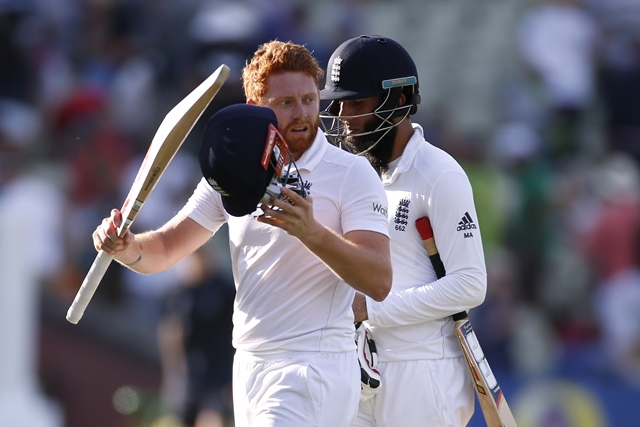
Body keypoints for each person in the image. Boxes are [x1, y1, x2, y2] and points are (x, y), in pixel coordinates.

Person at [92, 40, 392, 427]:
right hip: (249, 364)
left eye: (309, 99)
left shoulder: (352, 173)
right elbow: (165, 248)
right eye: (286, 103)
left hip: (312, 365)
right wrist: (127, 247)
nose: (302, 114)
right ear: (256, 109)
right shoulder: (235, 173)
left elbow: (380, 280)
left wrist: (311, 232)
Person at [320, 35, 488, 426]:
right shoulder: (355, 174)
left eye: (357, 103)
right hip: (361, 367)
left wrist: (373, 308)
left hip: (423, 372)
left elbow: (469, 284)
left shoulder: (440, 174)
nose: (344, 116)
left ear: (398, 102)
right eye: (340, 103)